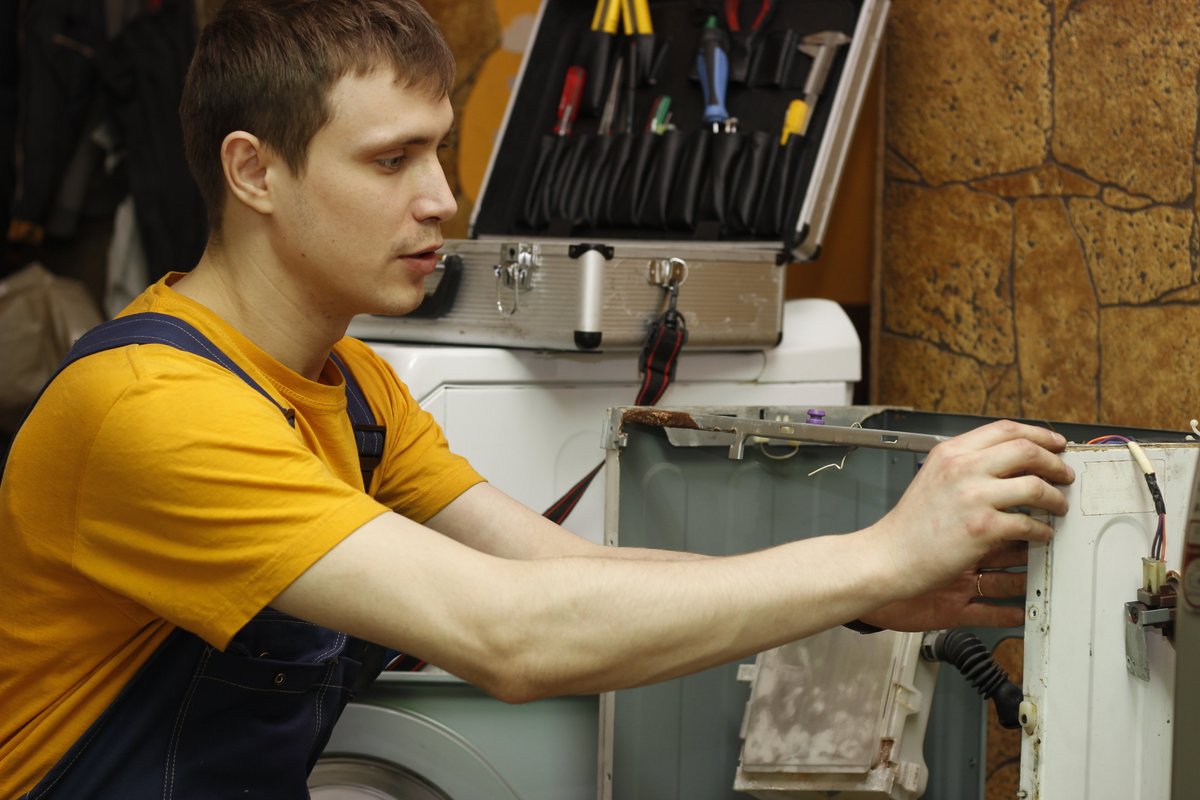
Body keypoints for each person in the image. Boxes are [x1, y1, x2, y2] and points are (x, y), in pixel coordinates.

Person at [0, 0, 1075, 796]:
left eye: (438, 151)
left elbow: (558, 571)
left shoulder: (356, 390)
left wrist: (861, 597)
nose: (442, 198)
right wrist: (880, 554)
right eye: (391, 159)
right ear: (253, 172)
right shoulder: (149, 410)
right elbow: (506, 634)